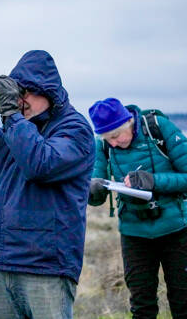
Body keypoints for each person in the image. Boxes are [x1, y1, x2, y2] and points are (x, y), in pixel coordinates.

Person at [0, 50, 95, 319]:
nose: (20, 101)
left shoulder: (74, 129)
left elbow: (40, 164)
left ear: (49, 93)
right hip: (4, 264)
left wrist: (11, 116)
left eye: (26, 93)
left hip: (47, 268)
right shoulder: (17, 129)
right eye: (15, 94)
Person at [88, 98, 187, 318]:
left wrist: (153, 181)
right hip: (134, 234)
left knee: (183, 302)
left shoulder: (158, 128)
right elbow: (98, 186)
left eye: (115, 136)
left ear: (129, 123)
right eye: (107, 138)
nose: (112, 143)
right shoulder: (103, 144)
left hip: (177, 231)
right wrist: (93, 191)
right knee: (142, 307)